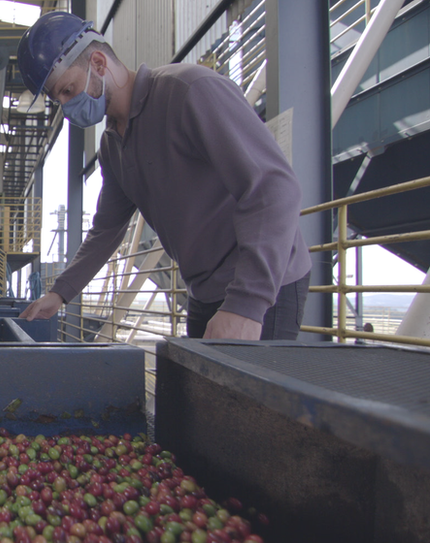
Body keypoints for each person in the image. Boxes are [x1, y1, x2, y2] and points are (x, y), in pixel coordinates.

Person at [16, 12, 312, 340]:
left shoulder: (189, 92)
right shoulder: (112, 145)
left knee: (247, 391)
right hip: (204, 291)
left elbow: (273, 187)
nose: (68, 107)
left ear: (99, 63)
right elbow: (107, 229)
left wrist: (247, 303)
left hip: (263, 284)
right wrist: (60, 293)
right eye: (59, 99)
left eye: (69, 90)